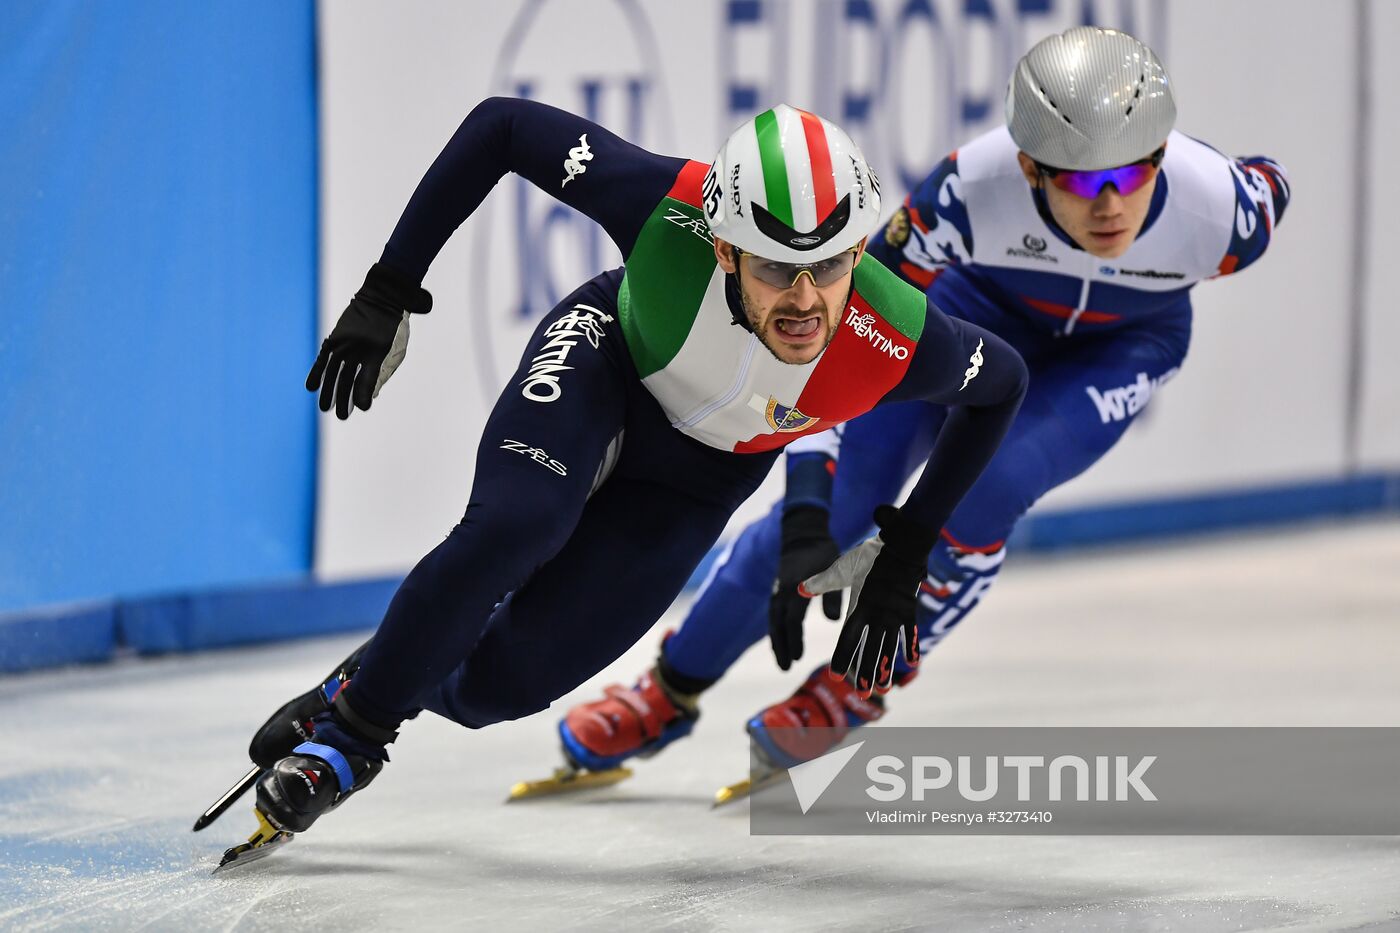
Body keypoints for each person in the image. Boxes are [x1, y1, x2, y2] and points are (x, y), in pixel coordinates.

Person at [236, 99, 1029, 841]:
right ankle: (349, 744)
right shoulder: (666, 206)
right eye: (772, 268)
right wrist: (390, 289)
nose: (803, 299)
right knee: (520, 524)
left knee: (501, 687)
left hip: (699, 477)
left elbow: (1005, 387)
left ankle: (370, 676)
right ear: (722, 246)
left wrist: (907, 549)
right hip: (605, 365)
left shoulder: (896, 336)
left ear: (858, 250)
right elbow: (501, 128)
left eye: (826, 267)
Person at [558, 26, 1291, 776]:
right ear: (1029, 169)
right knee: (832, 518)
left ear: (1163, 158)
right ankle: (668, 688)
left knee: (991, 488)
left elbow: (1274, 179)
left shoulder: (1226, 210)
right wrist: (808, 498)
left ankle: (855, 685)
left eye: (1134, 176)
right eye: (1077, 182)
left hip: (1118, 349)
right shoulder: (966, 192)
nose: (1109, 207)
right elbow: (830, 349)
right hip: (974, 325)